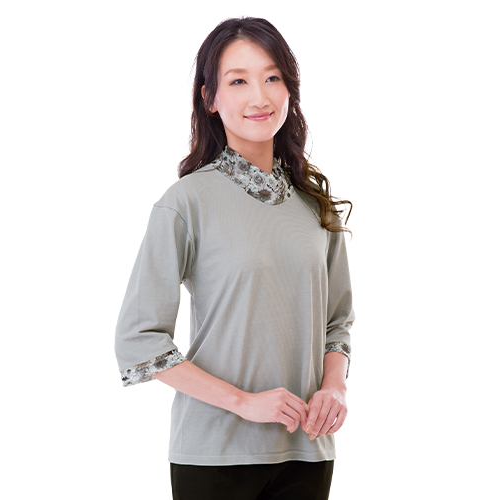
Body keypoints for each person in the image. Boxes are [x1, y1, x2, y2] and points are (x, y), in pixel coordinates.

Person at [115, 16, 355, 500]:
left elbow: (337, 323)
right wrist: (244, 402)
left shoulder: (315, 205)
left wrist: (335, 388)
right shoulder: (186, 202)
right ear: (210, 98)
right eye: (238, 81)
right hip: (214, 455)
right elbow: (139, 340)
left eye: (272, 77)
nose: (259, 97)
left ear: (290, 89)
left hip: (308, 451)